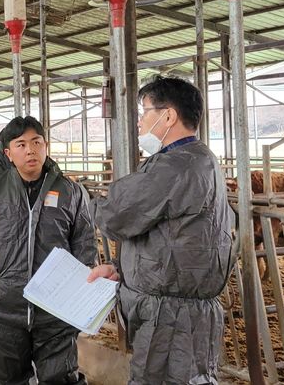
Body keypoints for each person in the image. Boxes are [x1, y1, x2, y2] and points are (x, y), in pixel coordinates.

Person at [88, 75, 233, 384]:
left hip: (170, 320)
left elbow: (117, 216)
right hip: (181, 313)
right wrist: (121, 268)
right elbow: (174, 240)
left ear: (168, 116)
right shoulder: (200, 160)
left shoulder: (175, 166)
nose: (140, 123)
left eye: (145, 112)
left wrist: (83, 202)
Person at [0, 116, 96, 385]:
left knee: (61, 378)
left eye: (36, 142)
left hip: (55, 310)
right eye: (21, 144)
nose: (30, 150)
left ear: (46, 146)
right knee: (10, 379)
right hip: (3, 310)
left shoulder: (71, 191)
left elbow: (84, 245)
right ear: (8, 153)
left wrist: (79, 296)